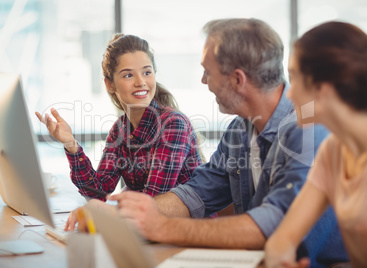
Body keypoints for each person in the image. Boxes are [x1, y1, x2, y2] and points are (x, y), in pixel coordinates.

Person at [101, 19, 348, 267]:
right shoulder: (239, 132)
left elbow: (274, 222)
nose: (203, 80)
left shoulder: (308, 128)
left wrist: (163, 227)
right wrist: (123, 216)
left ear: (237, 80)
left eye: (208, 71)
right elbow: (196, 193)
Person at [265, 21, 367, 268]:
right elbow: (281, 241)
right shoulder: (333, 151)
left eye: (294, 78)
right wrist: (280, 260)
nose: (290, 94)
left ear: (321, 88)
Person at [36, 34, 203, 200]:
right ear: (110, 84)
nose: (141, 82)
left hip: (186, 225)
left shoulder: (173, 124)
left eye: (147, 72)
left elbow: (152, 201)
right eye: (128, 75)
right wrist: (70, 144)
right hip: (146, 223)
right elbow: (98, 191)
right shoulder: (120, 129)